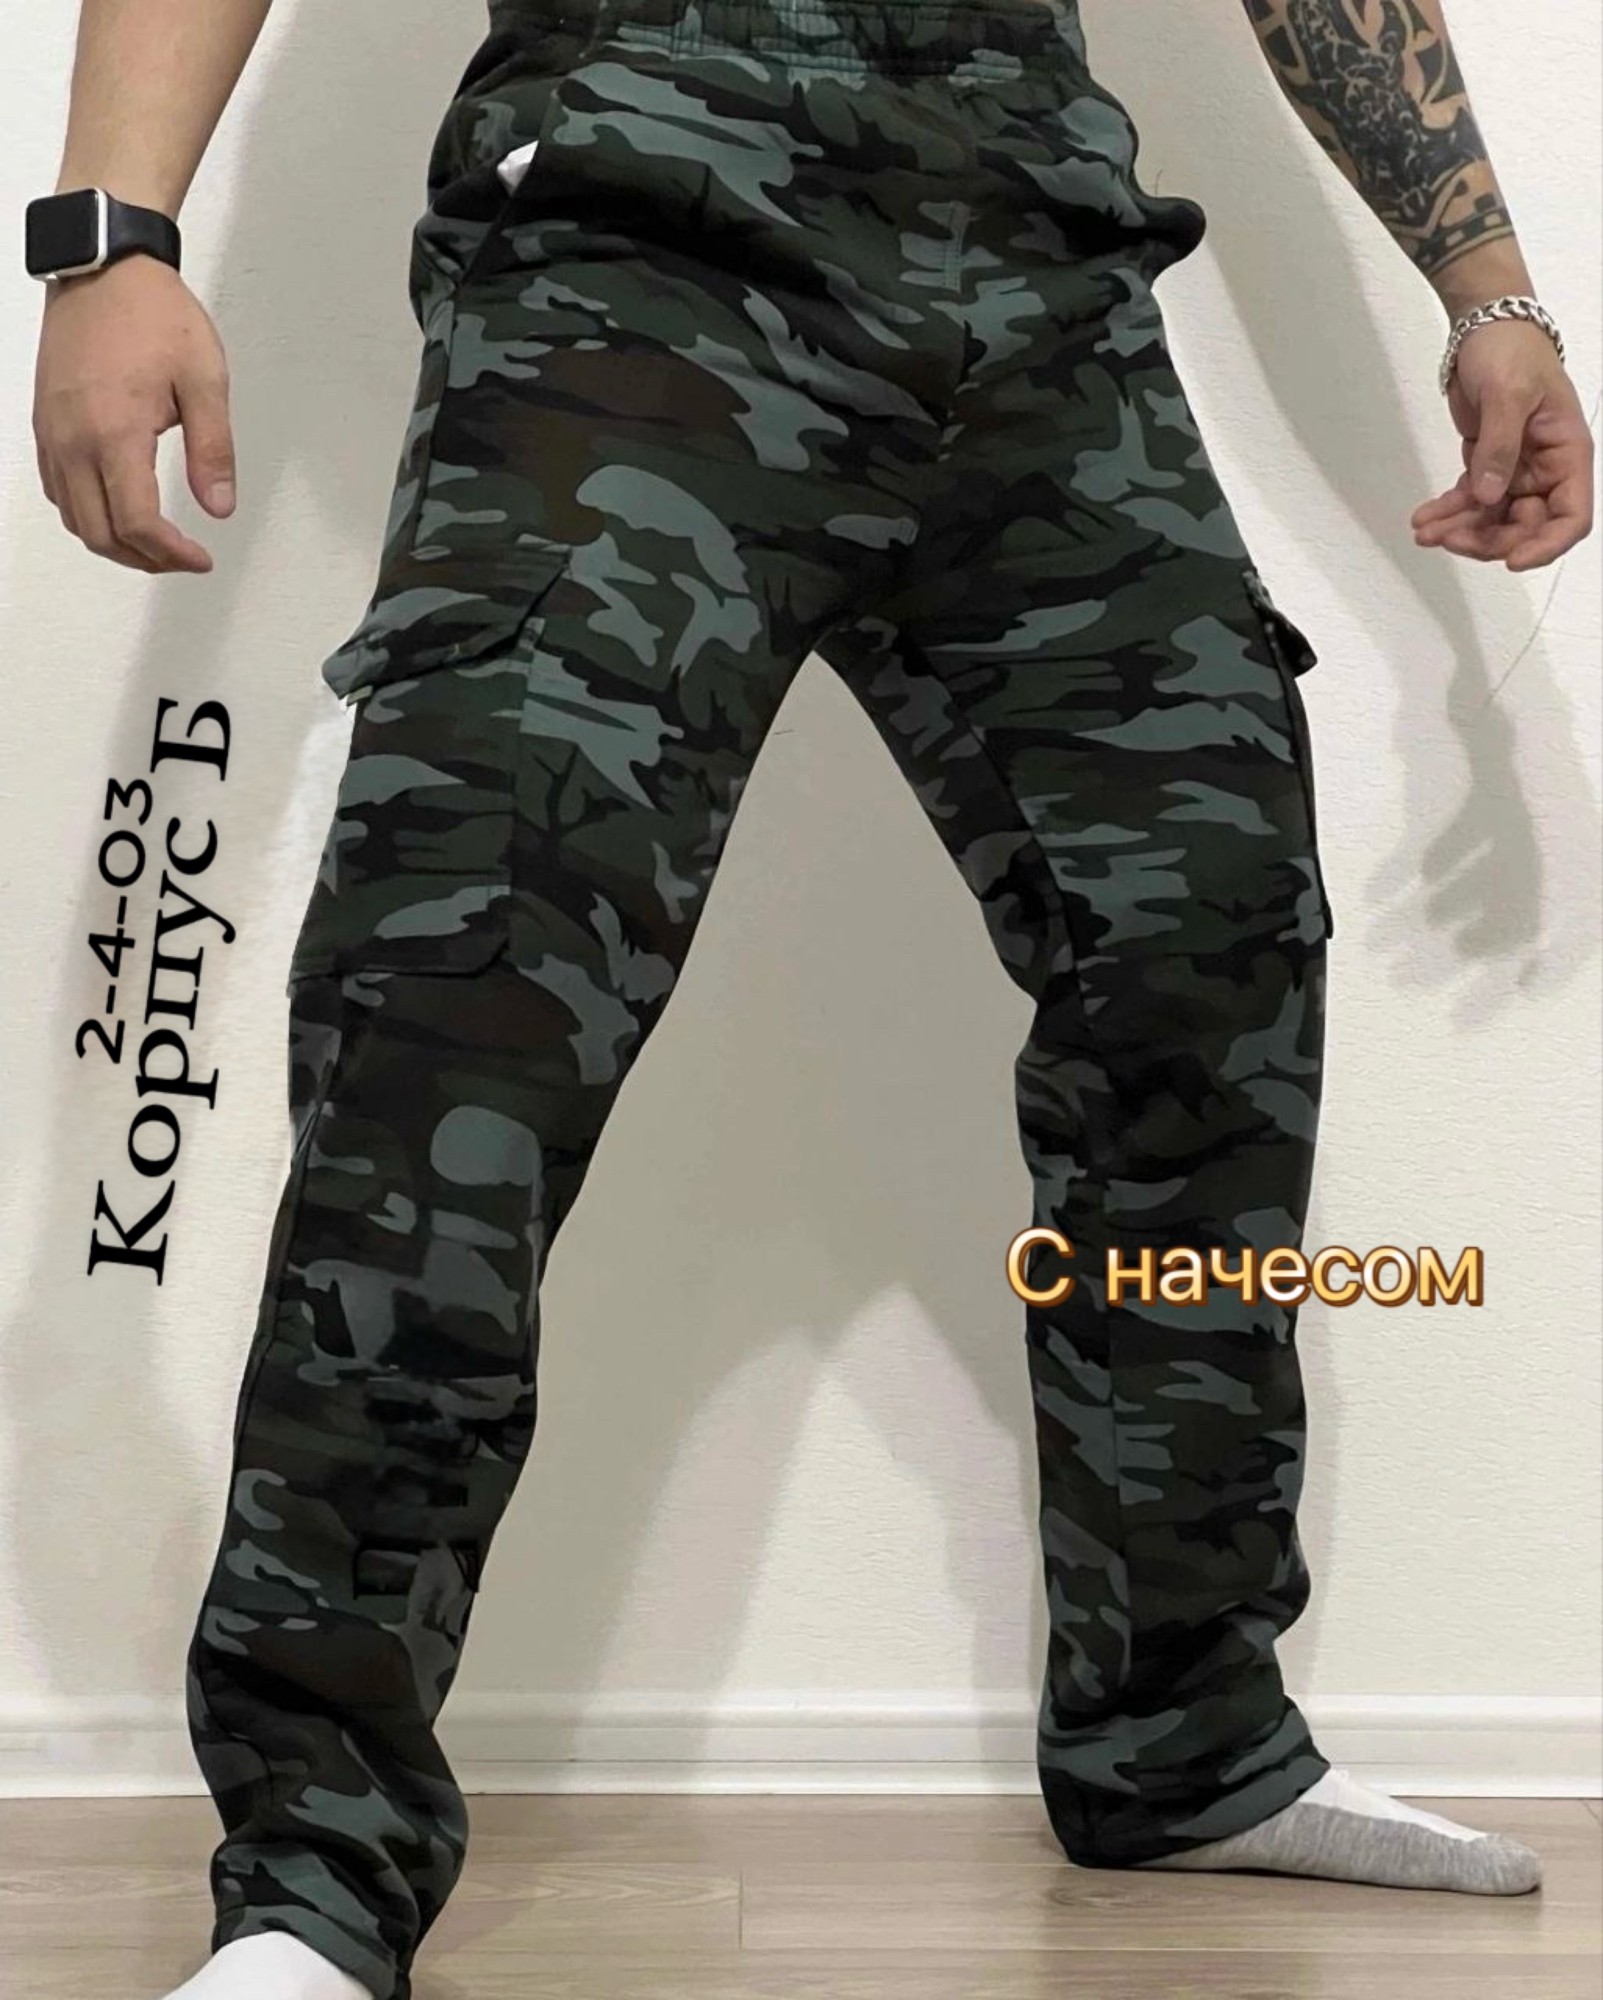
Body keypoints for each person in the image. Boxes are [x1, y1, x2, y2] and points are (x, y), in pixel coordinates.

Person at [28, 0, 1595, 1996]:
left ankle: (1180, 1737)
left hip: (1039, 271)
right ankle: (316, 1876)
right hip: (635, 243)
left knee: (1204, 946)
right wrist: (110, 237)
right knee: (464, 1000)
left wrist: (1491, 292)